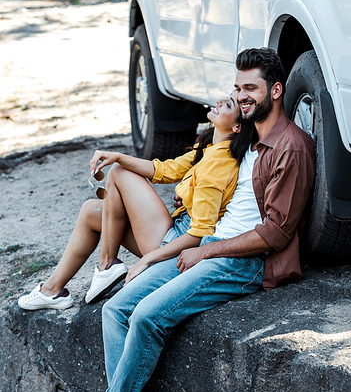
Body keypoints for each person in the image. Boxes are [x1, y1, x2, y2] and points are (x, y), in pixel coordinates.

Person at [45, 47, 316, 392]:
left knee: (148, 316)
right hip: (207, 244)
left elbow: (276, 233)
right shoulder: (243, 135)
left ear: (276, 90)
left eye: (251, 88)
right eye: (238, 88)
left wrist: (205, 250)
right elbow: (197, 172)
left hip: (240, 261)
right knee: (116, 309)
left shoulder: (292, 148)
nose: (242, 97)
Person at [18, 96, 254, 310]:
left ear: (236, 127)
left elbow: (201, 232)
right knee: (91, 211)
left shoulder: (219, 163)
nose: (221, 100)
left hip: (174, 245)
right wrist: (117, 155)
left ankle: (107, 266)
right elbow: (162, 170)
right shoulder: (208, 149)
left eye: (229, 104)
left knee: (120, 173)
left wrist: (148, 259)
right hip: (168, 233)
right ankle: (53, 291)